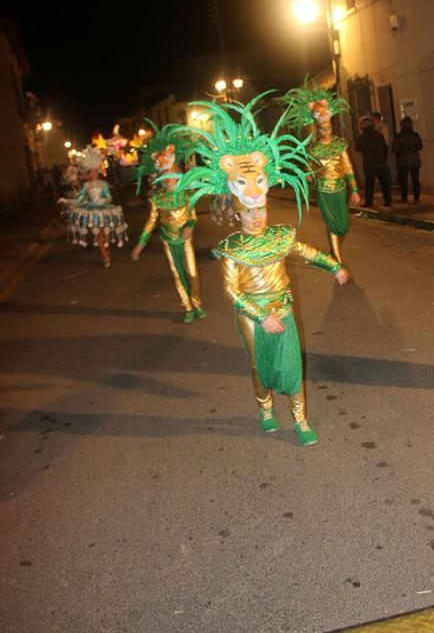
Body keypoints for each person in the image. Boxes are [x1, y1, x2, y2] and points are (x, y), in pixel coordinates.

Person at [176, 95, 350, 445]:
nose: (258, 215)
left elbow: (306, 253)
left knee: (292, 366)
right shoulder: (232, 250)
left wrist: (335, 267)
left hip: (281, 303)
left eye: (261, 210)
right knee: (261, 366)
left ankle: (300, 420)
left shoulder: (280, 236)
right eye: (251, 212)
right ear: (238, 214)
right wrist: (260, 316)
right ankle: (265, 408)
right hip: (251, 313)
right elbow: (231, 292)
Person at [132, 122, 206, 324]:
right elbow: (150, 223)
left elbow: (192, 216)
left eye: (171, 173)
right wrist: (140, 244)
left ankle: (197, 303)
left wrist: (190, 228)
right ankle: (188, 307)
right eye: (164, 175)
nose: (168, 178)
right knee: (177, 274)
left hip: (185, 238)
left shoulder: (186, 194)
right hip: (168, 239)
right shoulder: (156, 199)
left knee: (192, 272)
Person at [280, 77, 359, 261]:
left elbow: (348, 167)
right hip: (324, 190)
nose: (326, 129)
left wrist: (354, 189)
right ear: (317, 127)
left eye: (328, 125)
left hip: (341, 189)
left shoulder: (340, 144)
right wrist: (308, 176)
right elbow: (308, 170)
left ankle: (335, 249)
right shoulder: (313, 149)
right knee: (331, 224)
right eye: (322, 127)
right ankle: (337, 258)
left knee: (343, 225)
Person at [65, 145, 128, 267]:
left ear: (97, 172)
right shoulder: (86, 186)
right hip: (93, 212)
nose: (93, 174)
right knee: (99, 235)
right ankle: (105, 257)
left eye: (95, 171)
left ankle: (106, 249)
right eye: (91, 172)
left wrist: (103, 201)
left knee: (106, 234)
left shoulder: (103, 184)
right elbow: (80, 198)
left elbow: (109, 197)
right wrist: (73, 201)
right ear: (88, 174)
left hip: (103, 210)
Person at [355, 115, 392, 207]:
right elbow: (384, 148)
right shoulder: (378, 135)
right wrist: (383, 158)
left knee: (369, 184)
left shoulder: (363, 137)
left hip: (369, 163)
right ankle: (388, 200)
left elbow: (357, 147)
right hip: (381, 162)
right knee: (384, 183)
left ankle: (369, 202)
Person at [392, 116, 423, 203]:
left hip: (403, 160)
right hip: (415, 160)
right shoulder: (415, 135)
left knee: (403, 180)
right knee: (415, 180)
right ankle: (416, 198)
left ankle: (404, 197)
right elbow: (420, 146)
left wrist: (401, 151)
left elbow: (395, 148)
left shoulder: (398, 136)